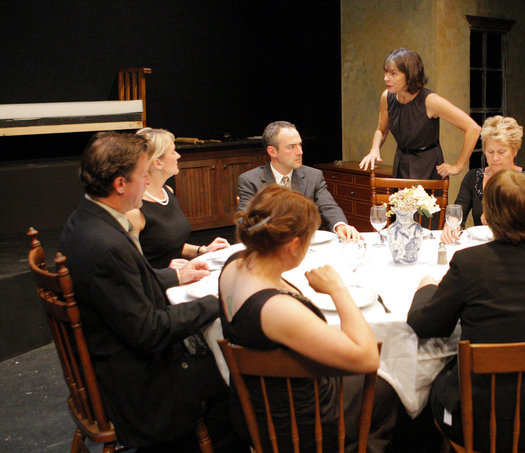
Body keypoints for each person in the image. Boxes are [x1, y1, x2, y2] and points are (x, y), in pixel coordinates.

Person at [59, 132, 245, 451]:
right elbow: (150, 331)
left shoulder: (87, 219)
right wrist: (218, 301)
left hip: (111, 352)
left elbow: (127, 283)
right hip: (135, 382)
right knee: (239, 373)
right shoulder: (106, 246)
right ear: (120, 184)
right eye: (143, 175)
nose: (148, 181)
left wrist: (175, 275)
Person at [407, 170, 525, 452]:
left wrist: (426, 288)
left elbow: (427, 326)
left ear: (489, 216)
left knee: (426, 386)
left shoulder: (471, 263)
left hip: (480, 425)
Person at [219, 184, 386, 452]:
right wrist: (337, 289)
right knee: (387, 390)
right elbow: (367, 358)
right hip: (297, 425)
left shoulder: (235, 264)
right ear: (294, 245)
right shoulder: (275, 308)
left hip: (252, 404)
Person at [359, 48, 481, 179]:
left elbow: (473, 128)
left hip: (428, 164)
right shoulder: (387, 97)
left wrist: (458, 166)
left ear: (410, 75)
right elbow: (381, 130)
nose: (386, 78)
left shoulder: (430, 101)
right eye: (386, 73)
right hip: (402, 161)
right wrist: (374, 149)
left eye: (393, 74)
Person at [127, 127, 230, 271]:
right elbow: (132, 268)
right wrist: (166, 273)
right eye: (173, 151)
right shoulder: (134, 210)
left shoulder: (168, 192)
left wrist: (202, 250)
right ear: (158, 163)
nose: (178, 156)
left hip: (180, 275)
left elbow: (170, 246)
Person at [238, 121, 360, 240]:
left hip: (307, 247)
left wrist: (340, 225)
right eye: (291, 147)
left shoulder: (313, 176)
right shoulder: (250, 180)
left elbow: (328, 207)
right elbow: (246, 223)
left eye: (300, 145)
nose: (300, 152)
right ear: (272, 151)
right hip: (270, 247)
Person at [441, 115, 525, 243]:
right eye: (490, 152)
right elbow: (458, 210)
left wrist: (500, 217)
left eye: (501, 152)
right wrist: (451, 225)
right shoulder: (473, 177)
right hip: (481, 246)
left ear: (514, 151)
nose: (495, 158)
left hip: (517, 246)